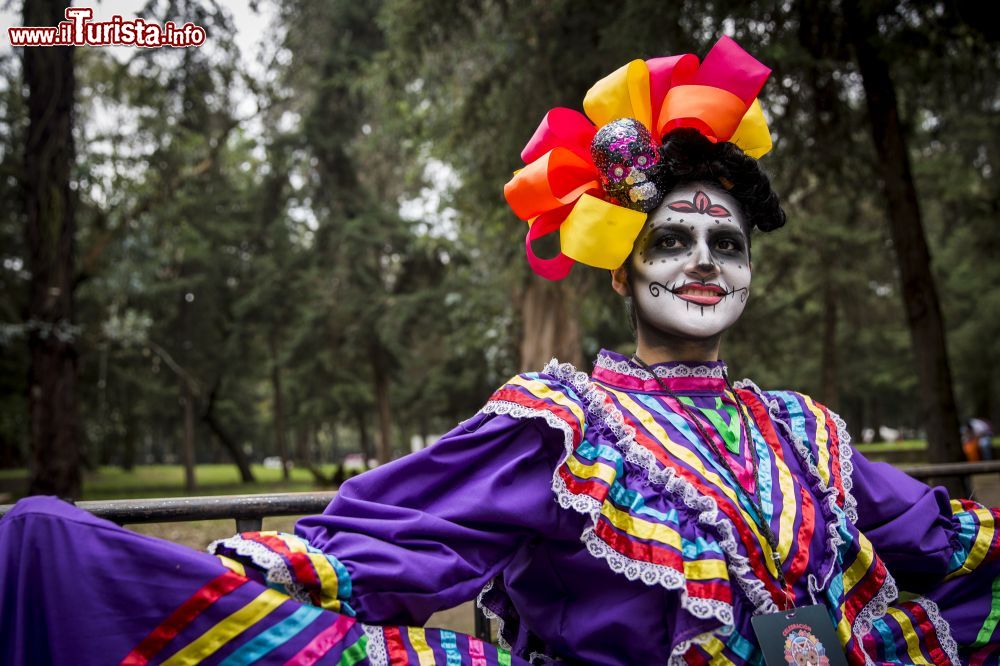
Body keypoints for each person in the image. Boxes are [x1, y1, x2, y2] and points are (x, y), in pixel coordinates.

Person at [2, 37, 999, 666]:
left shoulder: (804, 432)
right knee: (51, 549)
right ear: (621, 266)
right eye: (672, 240)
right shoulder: (562, 428)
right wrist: (256, 566)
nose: (704, 264)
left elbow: (941, 539)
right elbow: (395, 536)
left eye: (727, 245)